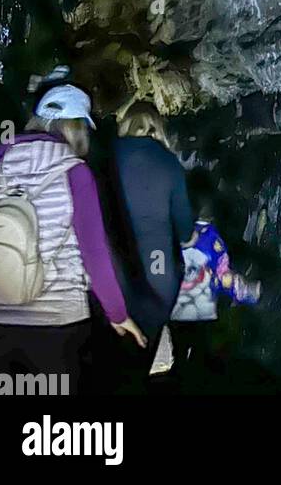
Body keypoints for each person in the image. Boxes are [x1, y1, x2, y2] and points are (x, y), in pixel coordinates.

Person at [0, 83, 145, 392]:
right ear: (78, 129)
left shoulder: (0, 165)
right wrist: (117, 313)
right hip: (54, 324)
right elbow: (94, 252)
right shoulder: (75, 172)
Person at [104, 100, 195, 391]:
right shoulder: (169, 163)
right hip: (158, 275)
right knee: (138, 362)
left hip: (114, 272)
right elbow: (185, 231)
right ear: (158, 128)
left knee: (108, 360)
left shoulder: (107, 156)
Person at [169, 199, 261, 391]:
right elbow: (224, 276)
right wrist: (246, 292)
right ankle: (194, 382)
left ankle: (178, 377)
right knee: (200, 351)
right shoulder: (212, 238)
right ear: (212, 216)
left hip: (176, 306)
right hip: (202, 309)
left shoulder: (175, 231)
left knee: (179, 348)